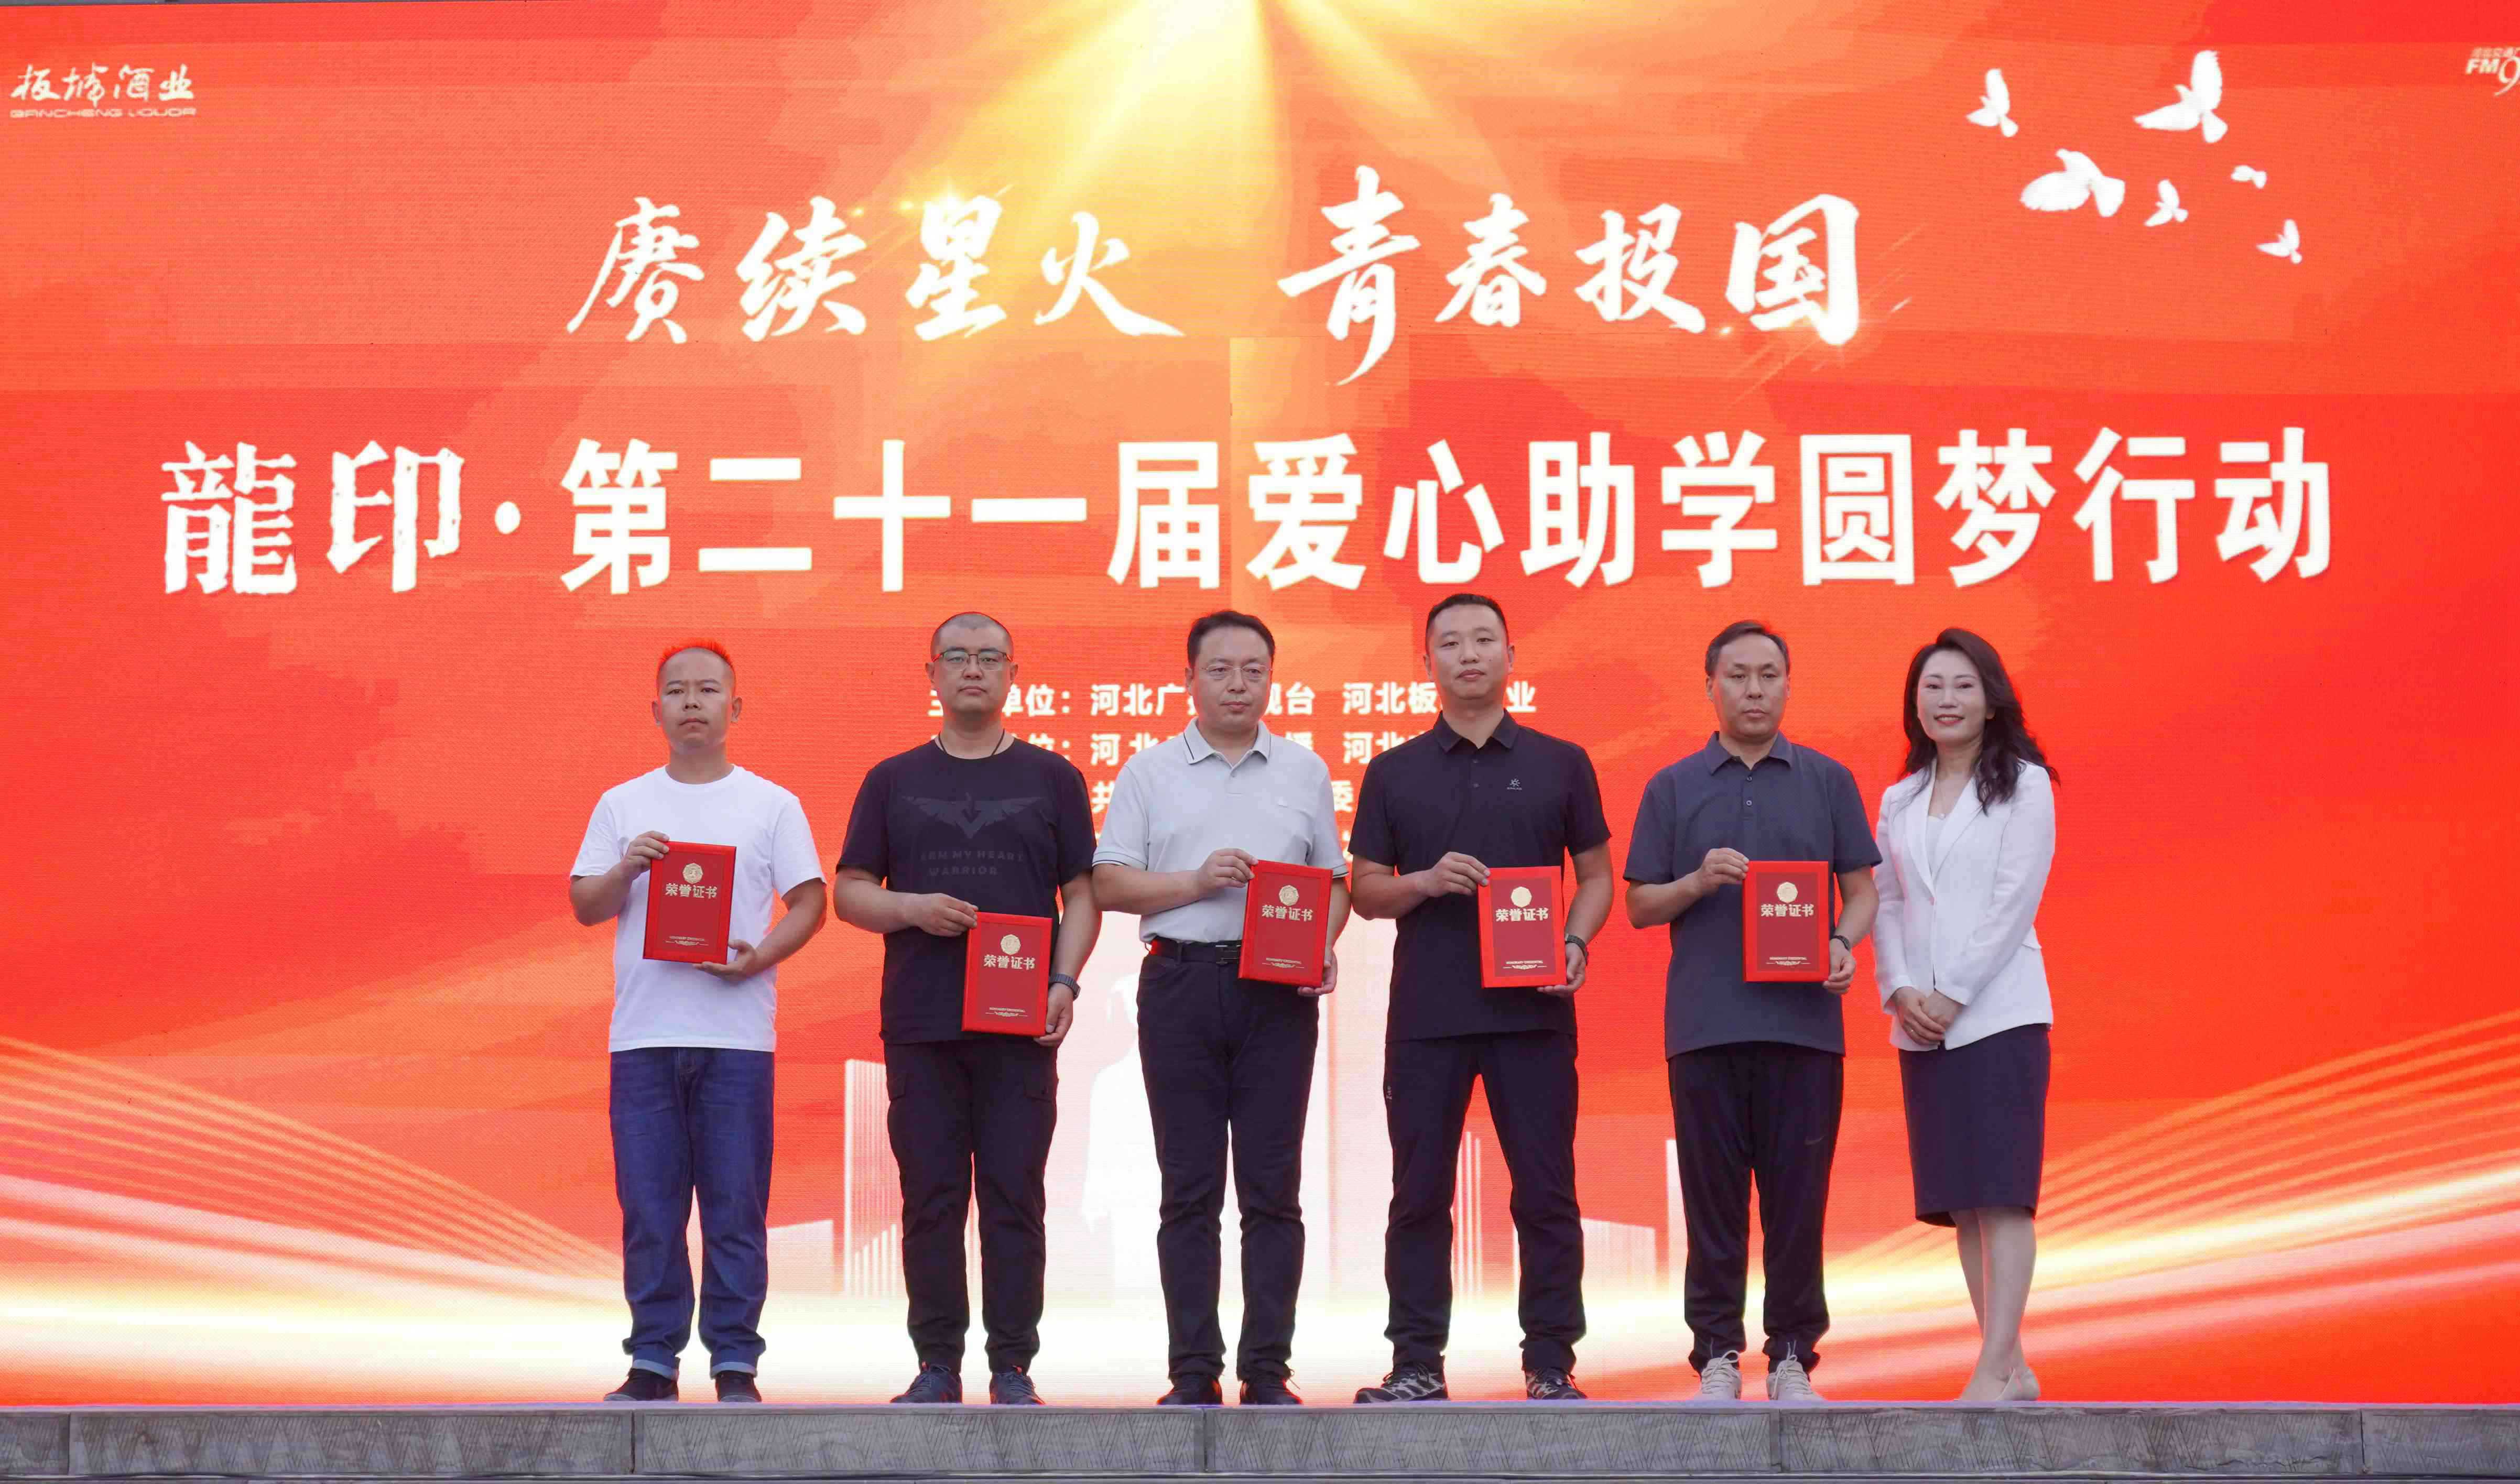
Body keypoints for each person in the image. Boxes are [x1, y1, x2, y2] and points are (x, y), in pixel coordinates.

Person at [1348, 593, 1613, 1404]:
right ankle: (1417, 1364)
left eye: (1484, 640)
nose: (1469, 654)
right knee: (1419, 1194)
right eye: (1451, 643)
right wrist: (1424, 882)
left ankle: (1550, 1363)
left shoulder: (1561, 761)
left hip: (1533, 1013)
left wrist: (1574, 943)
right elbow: (1365, 891)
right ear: (1425, 662)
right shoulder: (1394, 770)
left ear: (1510, 654)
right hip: (1428, 1017)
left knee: (1546, 1190)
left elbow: (1597, 877)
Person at [832, 614, 1099, 1406]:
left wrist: (1064, 982)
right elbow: (849, 893)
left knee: (1016, 1195)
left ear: (1014, 672)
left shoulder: (1054, 777)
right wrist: (911, 908)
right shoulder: (892, 779)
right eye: (957, 657)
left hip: (1020, 1024)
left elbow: (1081, 895)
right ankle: (937, 1364)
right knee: (932, 1198)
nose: (972, 669)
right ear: (933, 674)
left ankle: (1012, 1365)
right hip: (923, 1024)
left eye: (989, 658)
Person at [1093, 610, 1348, 1407]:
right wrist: (1196, 883)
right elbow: (1109, 882)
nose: (1238, 685)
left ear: (1272, 679)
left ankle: (1267, 1370)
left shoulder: (1304, 771)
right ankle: (1193, 1371)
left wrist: (1323, 944)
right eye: (1220, 670)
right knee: (1189, 1189)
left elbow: (1335, 883)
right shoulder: (1148, 772)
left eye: (1253, 670)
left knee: (1273, 1189)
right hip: (1180, 985)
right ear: (1189, 680)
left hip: (1277, 995)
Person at [1624, 620, 1879, 1403]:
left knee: (1799, 1203)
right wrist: (1697, 882)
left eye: (1769, 674)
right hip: (1705, 1028)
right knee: (1714, 1205)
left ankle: (1794, 1355)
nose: (1755, 690)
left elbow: (1862, 891)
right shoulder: (1673, 786)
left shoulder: (1827, 780)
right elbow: (1638, 906)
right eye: (1737, 676)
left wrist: (1842, 942)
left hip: (1805, 1029)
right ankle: (1716, 1356)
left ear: (1789, 684)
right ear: (1710, 687)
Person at [570, 640, 829, 1404]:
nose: (692, 702)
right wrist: (627, 867)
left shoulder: (771, 805)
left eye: (708, 690)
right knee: (650, 1210)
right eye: (677, 691)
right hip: (644, 1038)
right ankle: (653, 1360)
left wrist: (759, 959)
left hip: (736, 1039)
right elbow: (586, 905)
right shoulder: (623, 804)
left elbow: (811, 901)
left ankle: (735, 1362)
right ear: (655, 710)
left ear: (735, 708)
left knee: (735, 1209)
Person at [1872, 628, 2058, 1402]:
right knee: (1965, 1202)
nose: (1946, 701)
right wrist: (1900, 988)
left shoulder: (2026, 785)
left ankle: (1993, 1368)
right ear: (1914, 703)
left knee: (2005, 1193)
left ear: (1991, 700)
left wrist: (1953, 991)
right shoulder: (1900, 797)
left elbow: (2015, 902)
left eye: (1962, 686)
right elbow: (1885, 901)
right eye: (1932, 687)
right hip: (1921, 1023)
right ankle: (2009, 1363)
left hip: (1999, 1014)